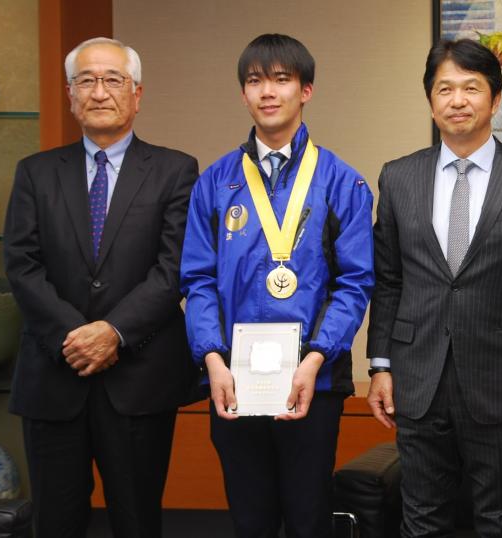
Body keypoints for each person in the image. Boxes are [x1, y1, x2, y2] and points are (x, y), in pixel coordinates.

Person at [366, 38, 502, 537]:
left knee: (501, 519)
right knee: (422, 519)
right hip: (417, 378)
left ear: (495, 100)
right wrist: (380, 364)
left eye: (471, 88)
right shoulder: (398, 178)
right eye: (445, 89)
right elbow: (389, 280)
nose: (457, 100)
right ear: (431, 101)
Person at [3, 37, 199, 538]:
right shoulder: (36, 173)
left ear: (137, 94)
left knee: (137, 521)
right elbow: (22, 266)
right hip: (53, 376)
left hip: (139, 378)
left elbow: (174, 266)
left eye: (113, 79)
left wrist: (113, 331)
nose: (99, 91)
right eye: (86, 80)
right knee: (55, 522)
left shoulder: (176, 171)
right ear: (70, 95)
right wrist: (77, 336)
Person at [180, 33, 374, 538]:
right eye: (255, 80)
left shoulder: (342, 182)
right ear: (243, 94)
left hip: (313, 381)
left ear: (305, 90)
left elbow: (355, 283)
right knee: (250, 519)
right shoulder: (216, 182)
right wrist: (212, 359)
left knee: (309, 518)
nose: (268, 91)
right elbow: (197, 280)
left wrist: (316, 358)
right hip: (232, 384)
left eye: (281, 79)